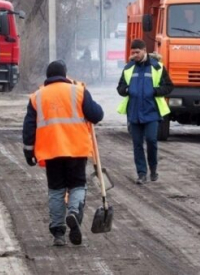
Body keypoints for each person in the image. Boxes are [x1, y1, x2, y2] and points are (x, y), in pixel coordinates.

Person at [22, 60, 104, 247]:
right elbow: (97, 115)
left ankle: (58, 232)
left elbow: (28, 127)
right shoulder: (79, 91)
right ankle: (74, 212)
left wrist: (28, 151)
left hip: (51, 151)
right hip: (76, 149)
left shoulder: (37, 97)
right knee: (77, 185)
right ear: (65, 75)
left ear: (47, 76)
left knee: (56, 190)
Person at [117, 39, 174, 185]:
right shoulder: (128, 68)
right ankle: (141, 173)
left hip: (152, 112)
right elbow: (120, 88)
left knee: (151, 140)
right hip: (134, 112)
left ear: (144, 51)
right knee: (137, 144)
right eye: (132, 52)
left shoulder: (157, 67)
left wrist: (155, 91)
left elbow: (169, 86)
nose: (134, 55)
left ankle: (153, 169)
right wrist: (127, 90)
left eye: (137, 52)